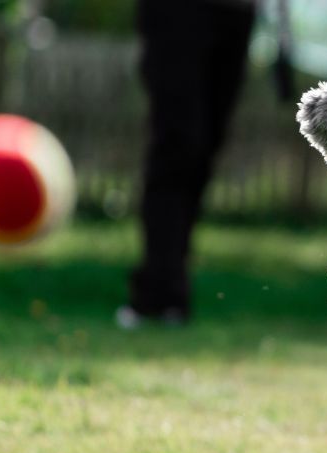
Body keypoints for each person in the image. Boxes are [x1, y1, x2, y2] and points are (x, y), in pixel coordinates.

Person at [116, 0, 257, 328]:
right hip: (178, 12)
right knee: (178, 144)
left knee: (204, 150)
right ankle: (158, 291)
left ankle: (169, 285)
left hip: (237, 12)